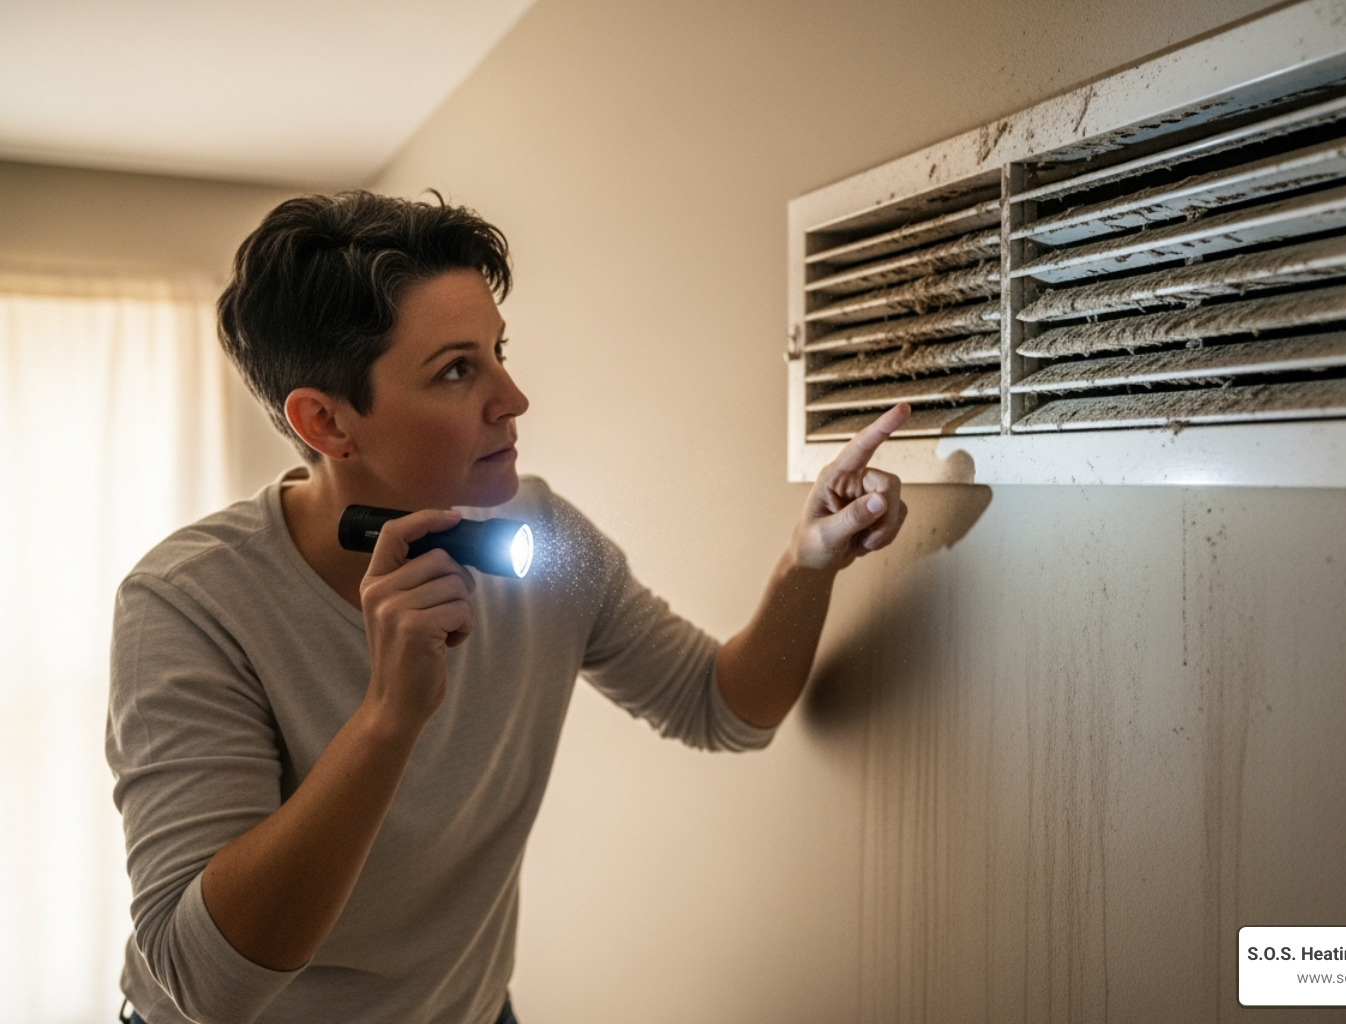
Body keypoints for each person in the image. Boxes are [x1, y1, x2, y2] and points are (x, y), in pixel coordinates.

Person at [106, 190, 910, 1024]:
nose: (513, 397)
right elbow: (207, 986)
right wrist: (389, 716)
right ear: (327, 422)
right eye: (457, 369)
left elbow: (724, 709)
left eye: (498, 351)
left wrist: (808, 562)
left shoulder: (543, 540)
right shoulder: (189, 603)